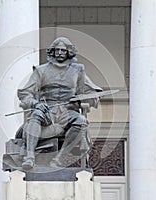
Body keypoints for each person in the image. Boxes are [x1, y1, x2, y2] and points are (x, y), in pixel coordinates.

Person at [17, 37, 102, 169]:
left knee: (80, 121)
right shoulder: (41, 70)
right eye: (57, 50)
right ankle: (29, 157)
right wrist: (35, 103)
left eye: (63, 50)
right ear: (52, 52)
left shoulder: (77, 71)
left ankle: (59, 159)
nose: (60, 53)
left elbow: (92, 91)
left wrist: (86, 98)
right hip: (47, 110)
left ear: (69, 52)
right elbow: (24, 93)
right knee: (36, 115)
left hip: (68, 111)